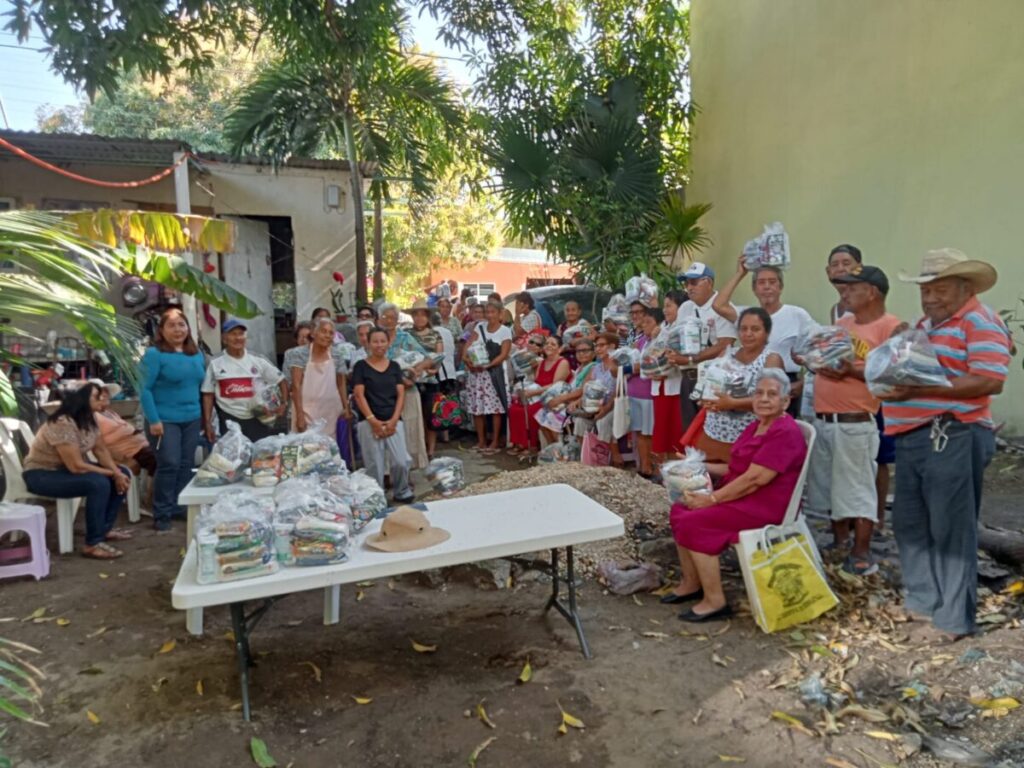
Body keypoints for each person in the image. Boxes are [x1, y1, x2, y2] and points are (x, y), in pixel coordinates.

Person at [881, 249, 1011, 640]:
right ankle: (922, 602)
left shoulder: (979, 320)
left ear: (965, 287)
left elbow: (990, 379)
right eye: (925, 290)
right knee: (910, 522)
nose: (930, 298)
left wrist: (918, 387)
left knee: (951, 530)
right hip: (915, 435)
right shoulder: (927, 324)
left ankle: (953, 620)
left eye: (939, 290)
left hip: (952, 434)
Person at [664, 369, 809, 622]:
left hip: (763, 504)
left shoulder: (784, 432)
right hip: (743, 495)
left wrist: (711, 499)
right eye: (759, 393)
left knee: (695, 520)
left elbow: (755, 480)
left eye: (772, 394)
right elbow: (734, 469)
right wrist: (694, 466)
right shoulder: (756, 425)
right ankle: (691, 583)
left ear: (785, 401)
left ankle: (715, 600)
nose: (764, 399)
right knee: (680, 508)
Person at [803, 266, 902, 575]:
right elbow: (827, 356)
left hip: (855, 421)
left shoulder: (892, 328)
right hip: (824, 419)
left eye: (850, 287)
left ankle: (861, 553)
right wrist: (815, 360)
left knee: (858, 490)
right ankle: (840, 541)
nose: (843, 292)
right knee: (832, 487)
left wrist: (849, 371)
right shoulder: (843, 323)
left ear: (871, 291)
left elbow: (892, 378)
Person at [23, 382, 134, 558]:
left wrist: (117, 472)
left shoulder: (90, 418)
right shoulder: (62, 422)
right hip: (42, 474)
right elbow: (76, 466)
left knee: (124, 473)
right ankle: (92, 544)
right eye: (96, 395)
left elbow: (101, 450)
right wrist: (113, 473)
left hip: (65, 471)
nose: (102, 398)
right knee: (98, 483)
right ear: (80, 399)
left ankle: (104, 529)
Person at [713, 257, 815, 417]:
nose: (767, 286)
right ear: (754, 289)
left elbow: (816, 352)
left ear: (780, 287)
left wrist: (803, 382)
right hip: (747, 385)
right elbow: (718, 305)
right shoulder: (748, 316)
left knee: (779, 434)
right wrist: (740, 273)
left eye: (772, 282)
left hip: (786, 384)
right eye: (761, 282)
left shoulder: (797, 315)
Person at [141, 307, 206, 532]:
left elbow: (201, 386)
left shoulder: (196, 353)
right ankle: (162, 513)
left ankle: (180, 508)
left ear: (188, 328)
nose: (178, 330)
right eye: (172, 325)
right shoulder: (154, 354)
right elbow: (145, 390)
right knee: (169, 464)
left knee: (186, 464)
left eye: (182, 325)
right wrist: (153, 420)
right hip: (164, 419)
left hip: (192, 418)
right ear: (162, 330)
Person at [697, 307, 785, 463]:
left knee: (737, 483)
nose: (748, 333)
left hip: (748, 439)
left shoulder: (771, 360)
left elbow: (773, 402)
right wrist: (706, 398)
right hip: (713, 433)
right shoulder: (727, 354)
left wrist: (732, 403)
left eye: (755, 329)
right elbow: (710, 385)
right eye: (743, 329)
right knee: (704, 482)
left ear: (767, 333)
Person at [669, 263, 737, 429]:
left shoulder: (723, 306)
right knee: (689, 430)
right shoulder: (685, 307)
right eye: (686, 283)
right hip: (688, 378)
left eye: (694, 282)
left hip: (714, 380)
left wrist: (691, 359)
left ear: (709, 283)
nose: (689, 288)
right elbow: (675, 338)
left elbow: (725, 344)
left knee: (711, 430)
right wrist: (671, 353)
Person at [351, 327, 414, 503]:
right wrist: (373, 421)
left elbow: (401, 394)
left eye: (382, 341)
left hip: (393, 420)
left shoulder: (394, 366)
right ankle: (376, 497)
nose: (379, 345)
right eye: (375, 341)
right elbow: (359, 394)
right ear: (368, 344)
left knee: (401, 461)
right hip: (369, 422)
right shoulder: (361, 367)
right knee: (374, 466)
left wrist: (394, 420)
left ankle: (401, 490)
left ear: (388, 343)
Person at [201, 319, 288, 444]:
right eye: (233, 334)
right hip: (229, 419)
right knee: (232, 461)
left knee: (258, 458)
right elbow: (208, 394)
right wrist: (208, 423)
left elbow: (281, 380)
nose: (237, 338)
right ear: (224, 338)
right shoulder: (215, 363)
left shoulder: (258, 360)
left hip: (258, 418)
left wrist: (283, 403)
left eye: (241, 334)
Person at [463, 300, 513, 453]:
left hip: (494, 373)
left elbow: (504, 354)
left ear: (500, 314)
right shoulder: (479, 327)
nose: (490, 315)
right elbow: (468, 345)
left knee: (495, 408)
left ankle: (495, 441)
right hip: (477, 373)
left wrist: (488, 365)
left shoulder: (505, 331)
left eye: (493, 312)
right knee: (477, 407)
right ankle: (481, 441)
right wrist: (467, 360)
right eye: (487, 312)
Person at [509, 334, 571, 456]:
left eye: (553, 344)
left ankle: (532, 445)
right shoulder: (541, 362)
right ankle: (520, 443)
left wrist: (533, 393)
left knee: (532, 410)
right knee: (514, 409)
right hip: (539, 393)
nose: (549, 346)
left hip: (553, 396)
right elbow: (536, 382)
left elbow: (555, 385)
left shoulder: (562, 362)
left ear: (559, 348)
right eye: (547, 343)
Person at [290, 317, 350, 439]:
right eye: (323, 331)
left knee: (331, 450)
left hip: (331, 411)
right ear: (313, 333)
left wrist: (346, 408)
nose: (327, 335)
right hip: (306, 410)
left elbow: (341, 383)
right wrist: (300, 416)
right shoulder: (300, 354)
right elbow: (296, 386)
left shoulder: (336, 354)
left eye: (331, 333)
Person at [650, 289, 687, 463]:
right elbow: (650, 354)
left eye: (669, 306)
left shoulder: (684, 328)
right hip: (660, 387)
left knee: (675, 433)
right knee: (661, 432)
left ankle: (676, 471)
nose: (665, 310)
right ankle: (663, 472)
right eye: (664, 306)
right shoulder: (662, 328)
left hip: (676, 387)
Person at [92, 380, 157, 475]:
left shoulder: (108, 412)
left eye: (106, 392)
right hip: (132, 452)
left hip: (141, 445)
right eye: (101, 393)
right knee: (163, 459)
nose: (105, 395)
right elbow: (98, 448)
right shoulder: (93, 417)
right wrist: (118, 462)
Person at [407, 299, 445, 458]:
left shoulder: (435, 334)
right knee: (416, 417)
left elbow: (440, 356)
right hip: (412, 381)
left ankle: (431, 450)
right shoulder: (407, 335)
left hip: (430, 380)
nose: (419, 318)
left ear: (428, 317)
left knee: (431, 416)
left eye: (423, 315)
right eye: (416, 315)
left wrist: (431, 370)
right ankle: (419, 449)